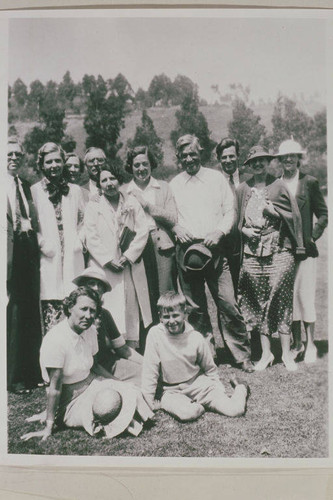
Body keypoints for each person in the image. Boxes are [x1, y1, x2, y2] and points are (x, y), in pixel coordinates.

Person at [21, 288, 153, 442]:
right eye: (83, 309)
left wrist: (117, 383)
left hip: (93, 383)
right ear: (70, 308)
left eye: (92, 311)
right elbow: (54, 388)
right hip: (70, 401)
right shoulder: (56, 340)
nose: (88, 316)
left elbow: (95, 366)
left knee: (131, 390)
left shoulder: (89, 330)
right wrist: (49, 426)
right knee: (108, 405)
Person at [169, 134, 253, 373]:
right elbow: (170, 216)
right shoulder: (174, 184)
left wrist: (219, 232)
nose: (189, 159)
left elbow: (230, 211)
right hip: (188, 252)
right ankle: (206, 355)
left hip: (215, 249)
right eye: (184, 155)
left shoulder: (216, 179)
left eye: (192, 154)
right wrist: (176, 228)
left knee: (227, 303)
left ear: (201, 154)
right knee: (195, 309)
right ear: (179, 158)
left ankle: (241, 354)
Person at [236, 145, 305, 371]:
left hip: (279, 250)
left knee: (281, 298)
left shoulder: (279, 185)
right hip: (252, 253)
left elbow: (293, 215)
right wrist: (243, 231)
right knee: (257, 301)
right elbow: (236, 220)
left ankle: (285, 353)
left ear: (269, 162)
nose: (258, 164)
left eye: (262, 160)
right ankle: (266, 354)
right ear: (249, 165)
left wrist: (273, 212)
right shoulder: (242, 189)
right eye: (254, 161)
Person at [142, 292, 249, 422]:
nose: (171, 321)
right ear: (160, 317)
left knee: (235, 410)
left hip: (198, 385)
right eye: (166, 317)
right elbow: (149, 371)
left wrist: (217, 389)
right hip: (171, 391)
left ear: (185, 313)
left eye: (175, 315)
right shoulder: (155, 335)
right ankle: (194, 406)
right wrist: (147, 403)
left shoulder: (195, 337)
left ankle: (241, 387)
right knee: (187, 414)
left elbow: (210, 368)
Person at [84, 164, 152, 349]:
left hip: (127, 265)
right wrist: (107, 260)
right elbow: (91, 236)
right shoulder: (93, 205)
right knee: (109, 306)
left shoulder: (131, 203)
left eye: (112, 178)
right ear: (99, 185)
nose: (109, 183)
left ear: (119, 180)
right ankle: (108, 348)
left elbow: (142, 231)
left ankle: (130, 348)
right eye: (104, 180)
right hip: (104, 267)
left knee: (130, 307)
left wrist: (128, 256)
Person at [278, 138, 328, 363]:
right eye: (284, 156)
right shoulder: (276, 184)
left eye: (292, 155)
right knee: (289, 300)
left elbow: (323, 214)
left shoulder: (310, 182)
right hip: (283, 252)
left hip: (305, 252)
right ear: (280, 160)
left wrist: (311, 237)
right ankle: (296, 343)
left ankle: (310, 345)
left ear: (299, 158)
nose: (288, 159)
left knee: (305, 296)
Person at [31, 142, 85, 333]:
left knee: (74, 304)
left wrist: (80, 240)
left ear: (63, 162)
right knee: (52, 309)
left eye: (57, 161)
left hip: (72, 255)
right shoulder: (34, 191)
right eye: (49, 162)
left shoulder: (75, 190)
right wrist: (43, 244)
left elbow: (83, 220)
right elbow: (30, 225)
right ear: (42, 165)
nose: (53, 165)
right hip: (49, 257)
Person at [123, 145, 178, 321]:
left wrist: (147, 205)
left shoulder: (162, 187)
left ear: (151, 164)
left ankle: (170, 333)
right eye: (136, 165)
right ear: (130, 167)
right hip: (136, 245)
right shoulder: (124, 190)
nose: (141, 169)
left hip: (160, 242)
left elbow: (172, 217)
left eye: (145, 164)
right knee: (142, 292)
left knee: (165, 293)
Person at [7, 137, 42, 394]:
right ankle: (13, 376)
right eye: (8, 154)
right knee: (14, 315)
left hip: (28, 254)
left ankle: (31, 372)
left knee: (30, 314)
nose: (14, 159)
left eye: (18, 155)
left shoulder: (25, 186)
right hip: (9, 256)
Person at [73, 267, 143, 385]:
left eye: (100, 285)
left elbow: (123, 349)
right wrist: (116, 382)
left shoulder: (104, 314)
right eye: (92, 283)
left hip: (111, 364)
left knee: (147, 376)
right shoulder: (75, 316)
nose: (96, 288)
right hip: (87, 371)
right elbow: (90, 364)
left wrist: (149, 363)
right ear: (82, 287)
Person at [215, 137, 253, 291]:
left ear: (238, 156)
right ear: (218, 159)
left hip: (249, 245)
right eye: (224, 157)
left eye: (231, 156)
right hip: (223, 247)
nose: (228, 160)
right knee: (226, 295)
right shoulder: (214, 182)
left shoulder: (250, 179)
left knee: (250, 291)